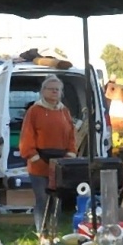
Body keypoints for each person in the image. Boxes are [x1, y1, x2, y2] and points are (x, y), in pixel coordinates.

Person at [18, 75, 77, 230]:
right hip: (39, 164)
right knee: (43, 200)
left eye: (57, 89)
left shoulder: (65, 112)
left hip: (60, 164)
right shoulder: (34, 111)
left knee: (57, 200)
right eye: (51, 89)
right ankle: (41, 233)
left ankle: (53, 232)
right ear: (43, 91)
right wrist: (36, 158)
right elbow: (26, 137)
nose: (54, 92)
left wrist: (70, 156)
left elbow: (71, 136)